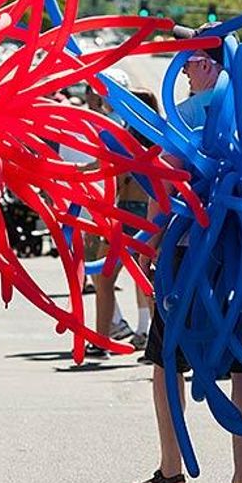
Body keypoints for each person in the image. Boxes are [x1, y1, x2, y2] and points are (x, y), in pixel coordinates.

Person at [126, 24, 242, 483]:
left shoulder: (185, 117)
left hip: (186, 257)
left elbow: (166, 190)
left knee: (166, 362)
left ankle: (170, 472)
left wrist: (149, 243)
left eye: (188, 62)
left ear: (208, 65)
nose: (183, 71)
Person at [85, 87, 156, 358]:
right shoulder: (154, 139)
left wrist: (77, 174)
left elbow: (109, 168)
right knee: (146, 281)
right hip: (147, 216)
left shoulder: (130, 140)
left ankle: (102, 342)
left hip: (128, 215)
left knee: (105, 279)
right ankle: (154, 344)